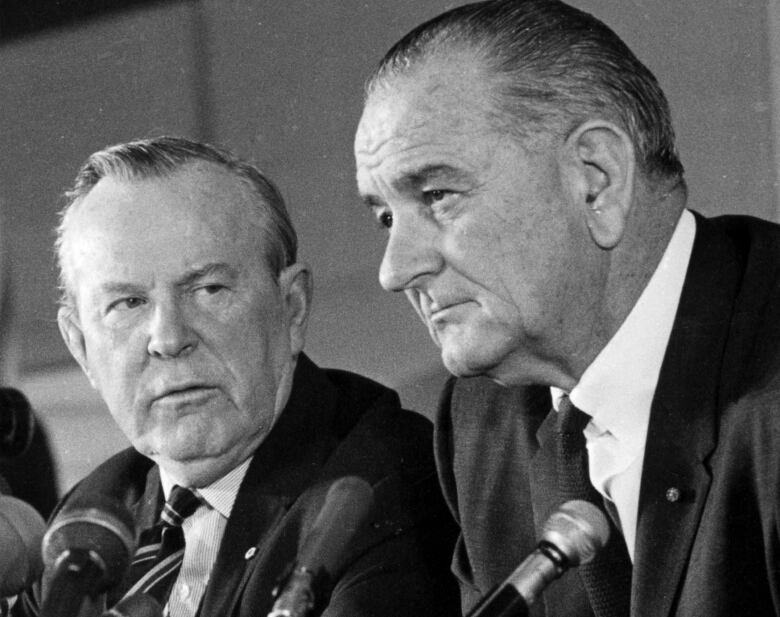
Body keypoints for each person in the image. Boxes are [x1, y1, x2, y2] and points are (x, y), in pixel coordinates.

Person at [354, 1, 780, 616]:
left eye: (437, 195)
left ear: (596, 179)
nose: (394, 271)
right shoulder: (482, 419)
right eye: (386, 217)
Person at [11, 136, 459, 616]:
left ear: (292, 308)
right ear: (80, 347)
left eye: (208, 289)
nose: (167, 337)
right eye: (128, 303)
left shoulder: (382, 485)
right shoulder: (91, 521)